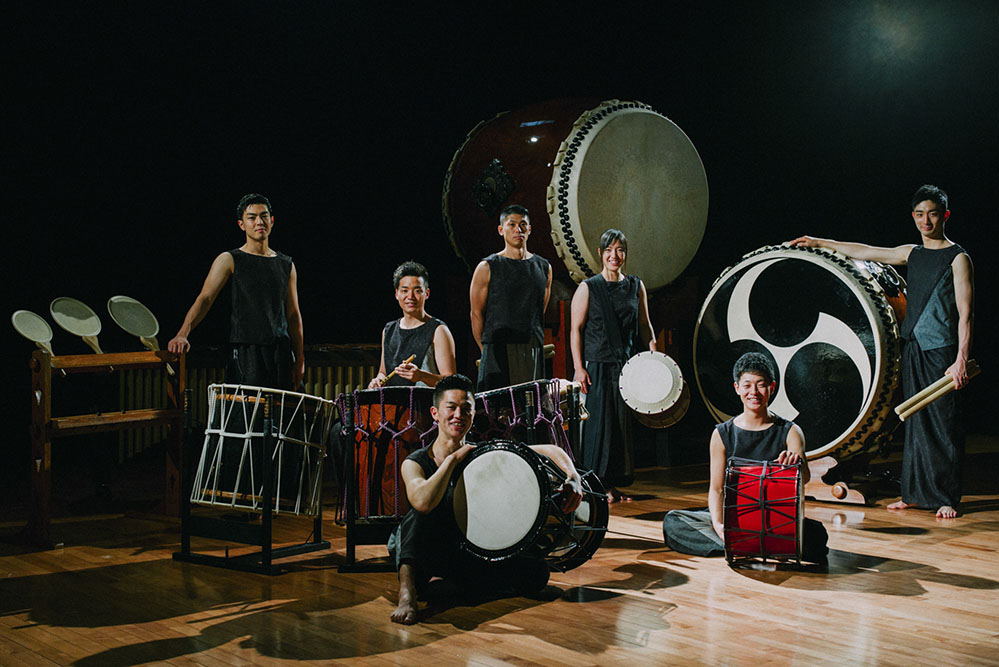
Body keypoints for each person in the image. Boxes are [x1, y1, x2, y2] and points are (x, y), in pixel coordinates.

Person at [790, 185, 973, 519]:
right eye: (920, 215)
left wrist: (961, 359)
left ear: (945, 215)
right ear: (913, 216)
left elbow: (966, 313)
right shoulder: (912, 253)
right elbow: (866, 251)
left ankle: (945, 497)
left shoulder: (958, 258)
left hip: (942, 350)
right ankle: (914, 495)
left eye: (933, 214)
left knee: (943, 424)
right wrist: (819, 242)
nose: (926, 221)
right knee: (915, 424)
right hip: (914, 347)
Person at [389, 373, 582, 625]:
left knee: (536, 574)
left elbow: (550, 450)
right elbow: (422, 502)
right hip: (427, 545)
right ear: (435, 413)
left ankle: (460, 586)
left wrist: (573, 476)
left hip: (467, 548)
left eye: (466, 409)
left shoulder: (481, 453)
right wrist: (452, 460)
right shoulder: (415, 461)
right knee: (417, 517)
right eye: (451, 408)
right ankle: (407, 593)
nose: (458, 415)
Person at [662, 353, 828, 562]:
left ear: (772, 387)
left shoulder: (790, 431)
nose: (754, 392)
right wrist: (719, 526)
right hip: (735, 517)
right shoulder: (722, 434)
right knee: (673, 522)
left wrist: (796, 463)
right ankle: (757, 544)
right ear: (737, 388)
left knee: (817, 536)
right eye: (747, 385)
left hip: (776, 517)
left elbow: (805, 477)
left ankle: (744, 545)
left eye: (761, 385)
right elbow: (716, 489)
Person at [167, 193, 304, 389]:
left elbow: (293, 315)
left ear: (272, 221)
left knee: (289, 408)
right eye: (252, 217)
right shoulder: (229, 259)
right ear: (242, 224)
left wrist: (299, 359)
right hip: (246, 352)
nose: (259, 222)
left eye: (264, 216)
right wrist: (182, 333)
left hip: (280, 353)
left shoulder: (286, 264)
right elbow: (205, 298)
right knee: (248, 409)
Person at [569, 229, 656, 503]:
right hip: (596, 366)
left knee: (619, 427)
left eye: (619, 250)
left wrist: (655, 358)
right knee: (598, 427)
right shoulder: (588, 287)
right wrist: (579, 368)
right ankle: (595, 484)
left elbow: (645, 325)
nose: (614, 255)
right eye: (609, 250)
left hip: (626, 367)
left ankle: (613, 484)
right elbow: (575, 330)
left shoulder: (635, 286)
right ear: (600, 253)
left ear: (625, 254)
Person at [469, 204, 553, 391]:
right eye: (512, 224)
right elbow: (476, 313)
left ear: (529, 229)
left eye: (523, 224)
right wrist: (486, 351)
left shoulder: (544, 267)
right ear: (501, 230)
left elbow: (539, 311)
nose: (518, 229)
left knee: (531, 404)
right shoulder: (488, 266)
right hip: (497, 347)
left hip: (531, 347)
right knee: (499, 406)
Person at [367, 261, 456, 388]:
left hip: (426, 400)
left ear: (427, 294)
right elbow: (383, 372)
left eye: (417, 291)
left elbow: (451, 382)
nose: (410, 296)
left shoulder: (439, 330)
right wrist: (378, 380)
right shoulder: (388, 330)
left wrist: (421, 376)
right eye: (404, 290)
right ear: (396, 294)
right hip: (394, 400)